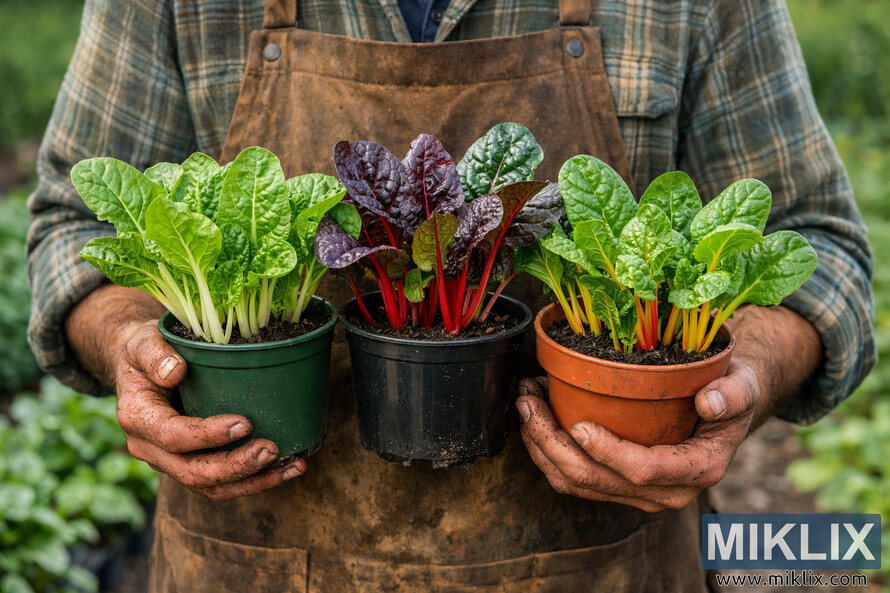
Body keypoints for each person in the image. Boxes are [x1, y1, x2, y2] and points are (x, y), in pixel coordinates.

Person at [28, 0, 874, 591]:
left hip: (601, 567)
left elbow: (817, 246)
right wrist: (136, 343)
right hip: (255, 565)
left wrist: (741, 382)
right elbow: (73, 225)